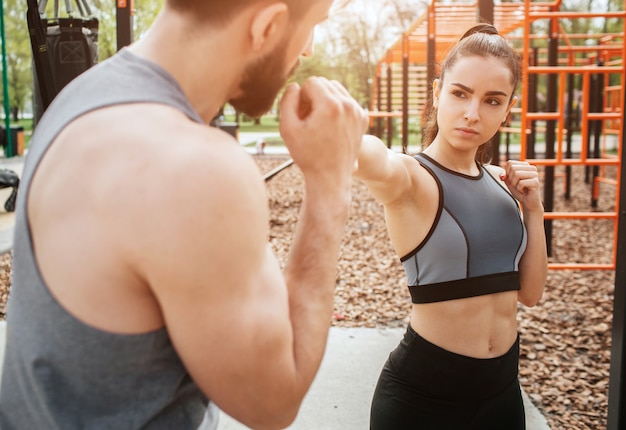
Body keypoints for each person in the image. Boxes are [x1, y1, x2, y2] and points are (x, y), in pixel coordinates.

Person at [0, 0, 369, 429]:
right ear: (268, 26)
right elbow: (273, 403)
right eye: (312, 27)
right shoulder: (191, 170)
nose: (307, 51)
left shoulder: (84, 95)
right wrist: (330, 182)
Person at [354, 23, 548, 429]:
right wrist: (355, 136)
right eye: (460, 93)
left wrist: (534, 210)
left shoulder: (503, 183)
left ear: (507, 109)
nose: (472, 113)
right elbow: (373, 159)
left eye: (492, 100)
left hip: (502, 396)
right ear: (437, 91)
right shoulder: (411, 177)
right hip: (423, 400)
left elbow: (529, 294)